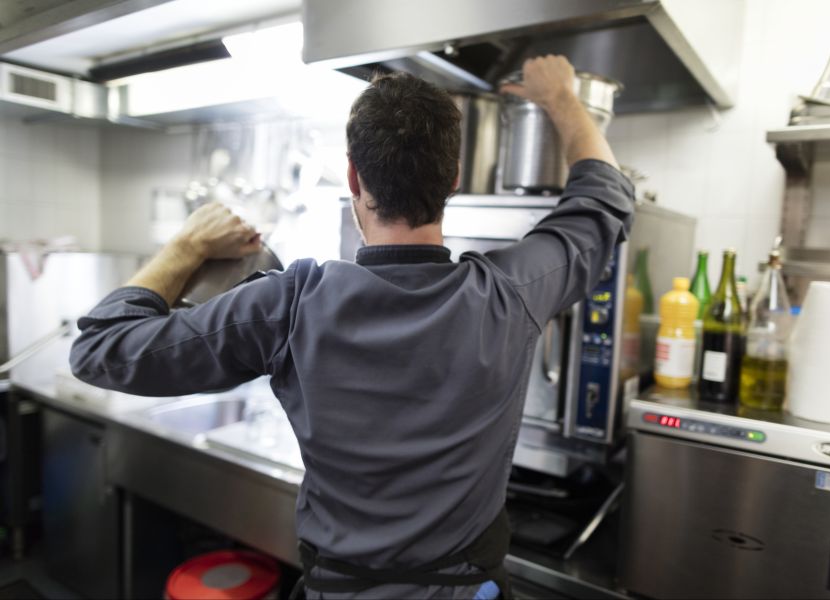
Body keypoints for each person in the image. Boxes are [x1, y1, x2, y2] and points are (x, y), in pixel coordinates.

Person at [69, 55, 634, 599]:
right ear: (454, 178)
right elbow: (603, 200)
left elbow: (99, 348)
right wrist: (561, 97)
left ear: (352, 175)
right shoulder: (511, 293)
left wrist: (187, 245)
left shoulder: (289, 305)